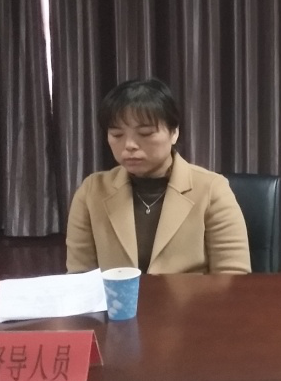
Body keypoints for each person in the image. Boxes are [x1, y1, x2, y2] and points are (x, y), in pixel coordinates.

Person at [66, 78, 251, 275]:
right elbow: (79, 278)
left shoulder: (211, 189)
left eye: (145, 133)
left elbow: (233, 277)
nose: (129, 145)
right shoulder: (92, 191)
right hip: (116, 297)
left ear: (174, 133)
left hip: (194, 296)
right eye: (117, 135)